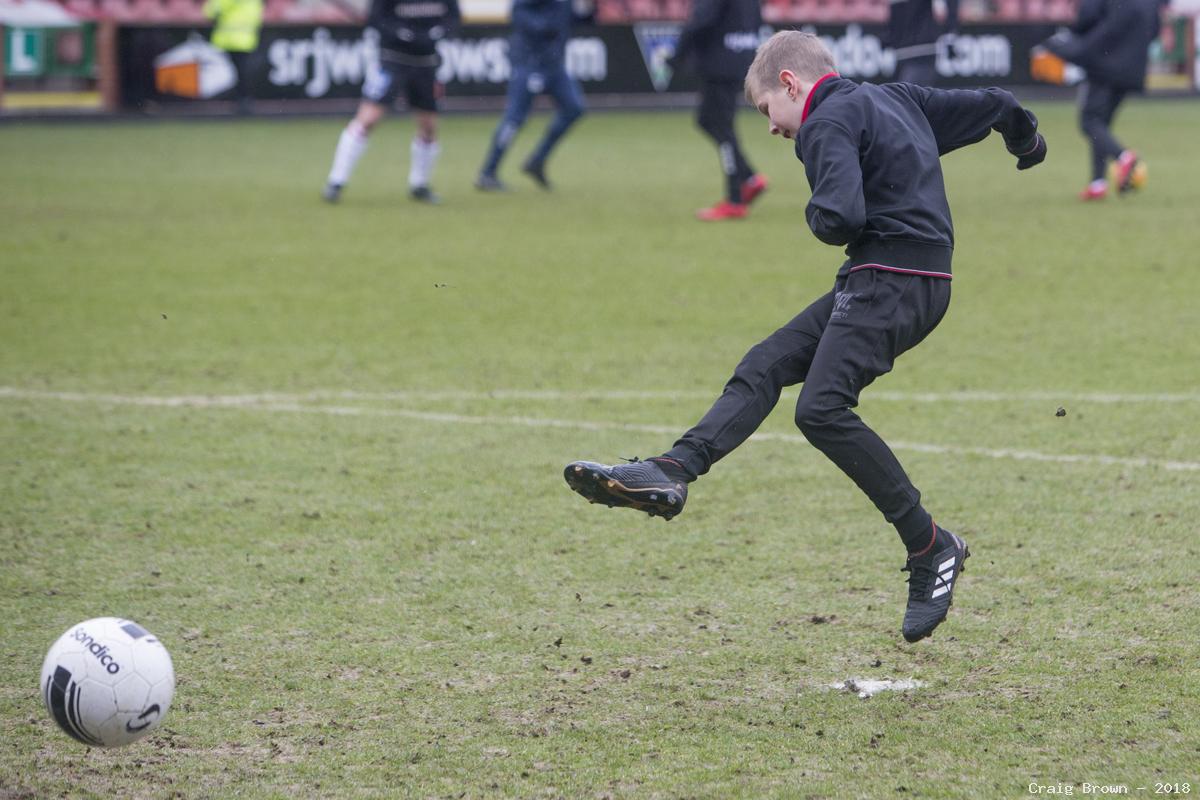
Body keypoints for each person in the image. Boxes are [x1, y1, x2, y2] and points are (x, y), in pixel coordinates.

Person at [563, 31, 1047, 643]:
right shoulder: (898, 98)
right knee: (767, 362)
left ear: (791, 85)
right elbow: (996, 103)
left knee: (820, 409)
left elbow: (837, 217)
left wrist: (820, 212)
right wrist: (1025, 139)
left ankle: (931, 546)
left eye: (768, 110)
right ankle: (672, 469)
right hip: (900, 276)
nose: (772, 127)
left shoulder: (824, 122)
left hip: (893, 278)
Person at [322, 0, 460, 205]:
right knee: (368, 119)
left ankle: (419, 185)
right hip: (392, 60)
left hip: (426, 64)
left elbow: (453, 18)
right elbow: (377, 19)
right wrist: (404, 35)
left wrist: (438, 33)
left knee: (429, 126)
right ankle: (336, 181)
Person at [1040, 0, 1160, 200]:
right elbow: (1155, 29)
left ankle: (1124, 158)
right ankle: (1098, 184)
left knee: (1089, 121)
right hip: (1134, 68)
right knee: (1101, 125)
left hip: (1104, 64)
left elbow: (1085, 18)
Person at [667, 0, 768, 220]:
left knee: (721, 126)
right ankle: (748, 177)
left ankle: (735, 199)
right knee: (708, 120)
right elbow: (758, 19)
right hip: (740, 59)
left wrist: (677, 56)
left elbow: (700, 22)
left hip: (719, 64)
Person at [474, 0, 587, 191]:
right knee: (515, 118)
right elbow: (521, 16)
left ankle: (537, 160)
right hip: (529, 62)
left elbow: (576, 20)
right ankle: (487, 173)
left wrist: (587, 10)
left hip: (554, 65)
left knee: (574, 108)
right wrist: (550, 23)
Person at [203, 0, 264, 114]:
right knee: (243, 72)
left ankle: (236, 102)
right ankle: (244, 101)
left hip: (228, 39)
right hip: (247, 38)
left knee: (229, 73)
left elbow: (210, 12)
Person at [885, 0, 958, 86]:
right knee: (900, 95)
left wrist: (949, 34)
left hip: (922, 52)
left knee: (908, 96)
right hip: (901, 54)